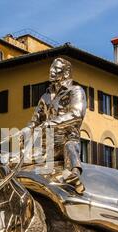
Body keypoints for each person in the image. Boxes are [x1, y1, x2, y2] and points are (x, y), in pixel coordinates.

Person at [26, 57, 87, 194]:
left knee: (70, 146)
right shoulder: (45, 97)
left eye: (56, 69)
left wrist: (50, 123)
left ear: (65, 73)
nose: (51, 72)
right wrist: (27, 129)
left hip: (65, 138)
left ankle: (74, 174)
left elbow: (77, 114)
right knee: (19, 157)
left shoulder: (75, 91)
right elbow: (34, 121)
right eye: (51, 69)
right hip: (46, 145)